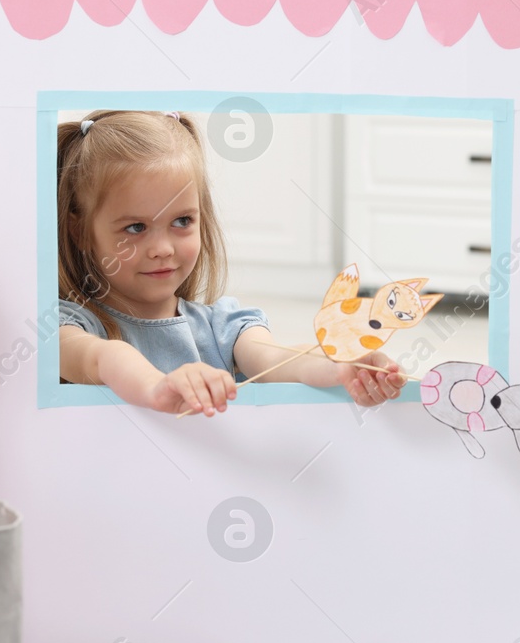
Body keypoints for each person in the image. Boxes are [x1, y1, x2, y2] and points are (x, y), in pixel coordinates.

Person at [55, 110, 406, 415]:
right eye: (135, 227)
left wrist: (342, 367)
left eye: (182, 221)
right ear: (81, 231)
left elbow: (276, 359)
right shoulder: (70, 327)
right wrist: (159, 388)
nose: (162, 248)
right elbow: (104, 359)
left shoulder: (225, 325)